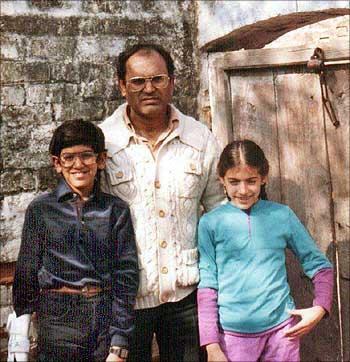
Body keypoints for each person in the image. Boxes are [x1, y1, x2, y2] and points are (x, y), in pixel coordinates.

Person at [99, 43, 225, 362]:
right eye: (138, 81)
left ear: (172, 82)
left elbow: (220, 215)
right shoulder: (103, 142)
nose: (149, 88)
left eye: (158, 78)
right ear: (122, 86)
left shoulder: (200, 138)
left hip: (186, 294)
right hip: (124, 299)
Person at [8, 120, 139, 362]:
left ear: (101, 160)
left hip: (102, 316)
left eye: (86, 156)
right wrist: (20, 336)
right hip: (57, 320)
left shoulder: (115, 210)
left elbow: (126, 276)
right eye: (68, 158)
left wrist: (119, 342)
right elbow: (26, 272)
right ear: (57, 163)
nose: (78, 165)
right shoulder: (42, 210)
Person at [197, 139, 334, 362]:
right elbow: (207, 287)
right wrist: (212, 345)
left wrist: (319, 309)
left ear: (264, 178)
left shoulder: (282, 215)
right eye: (234, 181)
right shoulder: (210, 223)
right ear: (221, 180)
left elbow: (320, 266)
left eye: (251, 181)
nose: (243, 190)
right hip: (232, 338)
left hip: (282, 333)